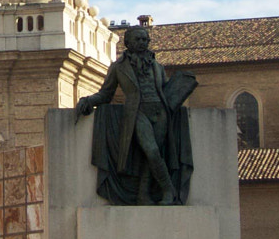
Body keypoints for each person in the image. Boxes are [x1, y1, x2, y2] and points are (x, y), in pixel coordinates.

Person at [74, 21, 199, 206]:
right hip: (138, 112)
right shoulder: (118, 67)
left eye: (145, 39)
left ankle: (143, 195)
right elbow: (106, 93)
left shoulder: (157, 66)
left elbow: (164, 89)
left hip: (160, 112)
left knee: (150, 157)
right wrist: (88, 101)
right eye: (138, 39)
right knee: (152, 150)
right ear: (128, 43)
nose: (142, 42)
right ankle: (169, 190)